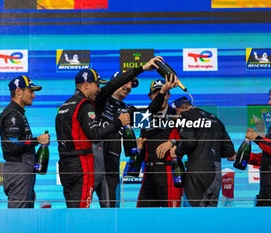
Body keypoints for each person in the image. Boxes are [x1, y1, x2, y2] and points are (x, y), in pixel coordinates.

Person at [94, 56, 164, 207]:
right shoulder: (99, 100)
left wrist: (163, 92)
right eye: (126, 82)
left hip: (112, 165)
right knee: (80, 205)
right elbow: (112, 85)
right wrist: (141, 69)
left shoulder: (127, 109)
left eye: (131, 85)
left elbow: (149, 114)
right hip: (91, 162)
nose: (129, 87)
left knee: (111, 210)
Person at [55, 68, 131, 208]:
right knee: (82, 210)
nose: (99, 89)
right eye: (97, 85)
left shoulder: (64, 106)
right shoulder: (85, 105)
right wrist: (117, 123)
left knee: (73, 209)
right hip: (81, 164)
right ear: (86, 85)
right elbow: (95, 135)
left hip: (65, 164)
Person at [165, 97, 235, 207]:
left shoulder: (185, 116)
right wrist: (211, 151)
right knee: (209, 217)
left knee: (192, 216)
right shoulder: (215, 119)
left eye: (174, 118)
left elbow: (189, 142)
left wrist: (177, 151)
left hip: (197, 173)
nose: (175, 122)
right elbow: (229, 150)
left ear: (178, 110)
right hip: (216, 175)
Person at [0, 75, 50, 208]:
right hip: (18, 171)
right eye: (30, 91)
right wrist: (37, 140)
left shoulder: (17, 113)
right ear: (19, 91)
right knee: (19, 219)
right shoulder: (13, 114)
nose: (34, 96)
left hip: (22, 171)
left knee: (26, 218)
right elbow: (13, 145)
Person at [137, 76, 182, 208]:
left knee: (171, 218)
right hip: (149, 172)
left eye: (162, 92)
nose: (160, 95)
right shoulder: (145, 117)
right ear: (150, 96)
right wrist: (138, 147)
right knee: (142, 215)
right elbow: (142, 143)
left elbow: (190, 139)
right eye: (156, 92)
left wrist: (172, 142)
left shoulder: (177, 114)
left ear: (168, 94)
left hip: (169, 170)